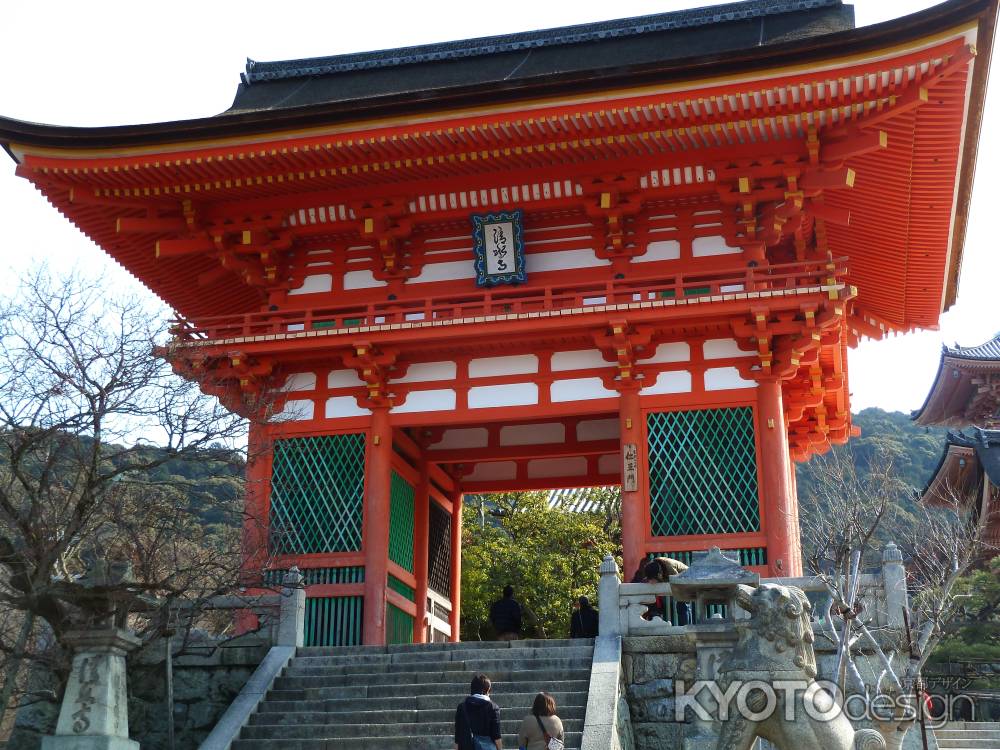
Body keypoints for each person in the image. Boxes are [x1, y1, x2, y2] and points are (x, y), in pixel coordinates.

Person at [455, 673, 502, 750]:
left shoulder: (462, 707)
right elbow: (496, 736)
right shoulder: (493, 707)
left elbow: (458, 737)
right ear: (487, 690)